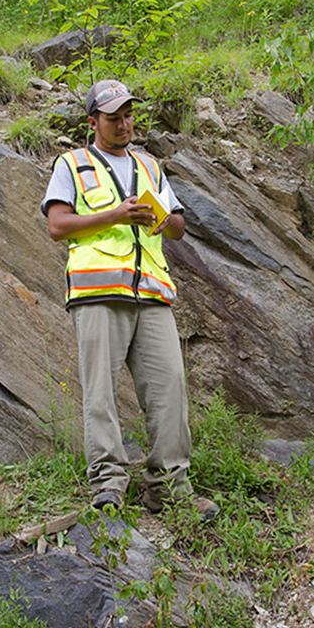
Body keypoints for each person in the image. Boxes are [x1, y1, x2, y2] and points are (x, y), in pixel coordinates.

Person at [41, 79, 216, 520]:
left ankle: (169, 487)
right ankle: (108, 483)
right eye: (114, 117)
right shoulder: (72, 164)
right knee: (100, 393)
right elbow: (58, 226)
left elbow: (178, 225)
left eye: (129, 115)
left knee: (170, 388)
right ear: (93, 121)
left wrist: (162, 221)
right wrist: (117, 214)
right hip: (98, 292)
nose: (124, 124)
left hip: (153, 293)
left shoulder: (149, 166)